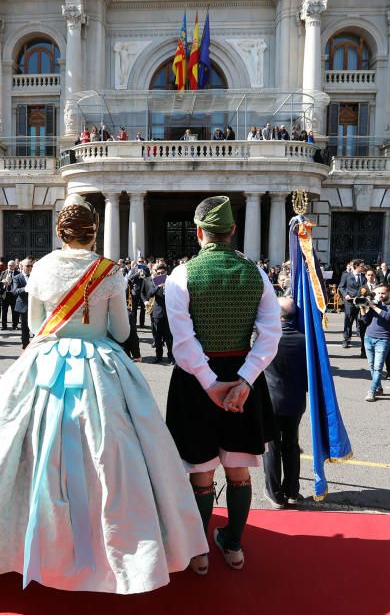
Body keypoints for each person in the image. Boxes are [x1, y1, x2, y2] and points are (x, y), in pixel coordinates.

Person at [0, 194, 208, 593]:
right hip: (101, 367)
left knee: (19, 450)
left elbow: (35, 324)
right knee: (119, 456)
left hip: (46, 365)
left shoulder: (43, 266)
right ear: (94, 231)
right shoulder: (108, 271)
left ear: (60, 231)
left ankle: (20, 547)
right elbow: (120, 331)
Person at [164, 196, 281, 573]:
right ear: (232, 231)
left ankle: (199, 553)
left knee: (201, 470)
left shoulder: (181, 276)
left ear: (199, 233)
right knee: (239, 470)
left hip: (197, 382)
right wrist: (244, 381)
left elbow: (182, 342)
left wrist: (210, 383)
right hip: (243, 377)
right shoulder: (257, 274)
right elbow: (270, 335)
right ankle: (233, 546)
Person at [262, 298, 307, 508]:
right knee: (291, 446)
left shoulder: (266, 339)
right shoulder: (304, 340)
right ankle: (291, 491)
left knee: (272, 447)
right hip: (296, 401)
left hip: (271, 401)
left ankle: (275, 493)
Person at [361, 283, 390, 402]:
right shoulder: (374, 304)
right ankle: (379, 388)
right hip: (368, 337)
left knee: (378, 367)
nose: (380, 295)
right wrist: (363, 308)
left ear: (389, 293)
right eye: (378, 293)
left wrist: (373, 306)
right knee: (372, 366)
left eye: (383, 293)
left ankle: (371, 391)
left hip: (383, 339)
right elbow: (365, 321)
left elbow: (388, 317)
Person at [143, 263, 173, 364]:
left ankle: (171, 357)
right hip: (157, 313)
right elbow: (149, 294)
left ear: (166, 272)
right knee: (158, 337)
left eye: (162, 273)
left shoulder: (171, 281)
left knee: (169, 338)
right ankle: (158, 356)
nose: (160, 275)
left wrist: (167, 286)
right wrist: (158, 286)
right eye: (158, 273)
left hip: (169, 313)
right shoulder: (155, 281)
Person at [339, 260, 366, 350]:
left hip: (361, 301)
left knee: (361, 320)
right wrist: (345, 295)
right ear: (356, 266)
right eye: (361, 266)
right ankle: (346, 339)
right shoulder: (346, 275)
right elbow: (341, 287)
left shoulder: (364, 276)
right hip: (350, 301)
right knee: (348, 320)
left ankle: (363, 340)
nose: (363, 268)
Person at [12, 258, 32, 348]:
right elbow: (15, 291)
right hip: (23, 305)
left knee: (35, 326)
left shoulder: (35, 276)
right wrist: (26, 288)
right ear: (22, 267)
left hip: (34, 305)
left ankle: (35, 346)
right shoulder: (17, 277)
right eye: (28, 266)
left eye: (31, 265)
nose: (30, 267)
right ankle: (25, 345)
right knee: (25, 327)